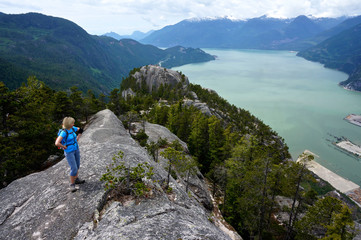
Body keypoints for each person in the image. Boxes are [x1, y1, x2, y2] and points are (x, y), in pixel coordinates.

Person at [55, 117, 85, 192]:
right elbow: (57, 143)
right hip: (69, 152)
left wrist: (79, 135)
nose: (73, 124)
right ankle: (72, 185)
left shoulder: (72, 128)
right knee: (74, 168)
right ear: (68, 124)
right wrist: (63, 146)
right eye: (72, 123)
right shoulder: (64, 132)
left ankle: (76, 179)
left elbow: (79, 129)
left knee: (77, 165)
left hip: (76, 149)